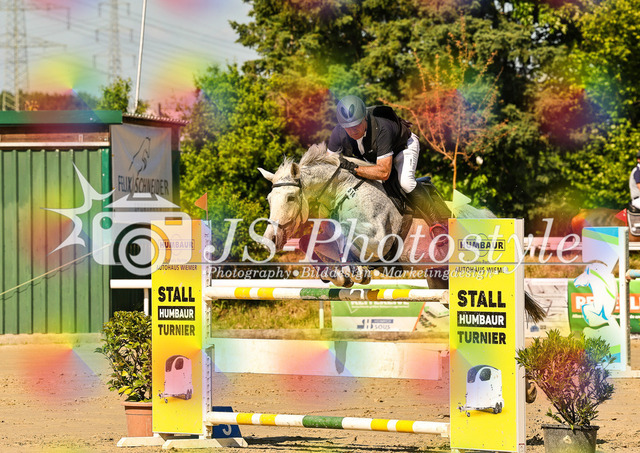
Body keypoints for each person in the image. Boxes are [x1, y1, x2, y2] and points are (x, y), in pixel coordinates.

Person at [327, 95, 450, 235]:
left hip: (403, 148)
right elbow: (328, 165)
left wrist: (353, 168)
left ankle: (437, 223)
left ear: (365, 117)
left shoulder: (382, 128)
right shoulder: (338, 133)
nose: (353, 130)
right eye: (348, 127)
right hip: (376, 156)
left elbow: (384, 172)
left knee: (405, 183)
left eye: (357, 124)